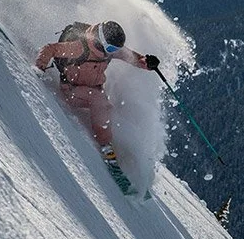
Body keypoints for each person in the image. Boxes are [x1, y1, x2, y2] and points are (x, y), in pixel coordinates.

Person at [35, 20, 159, 187]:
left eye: (115, 50)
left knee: (107, 107)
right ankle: (106, 147)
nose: (113, 52)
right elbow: (50, 49)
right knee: (99, 101)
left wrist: (145, 62)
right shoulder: (80, 47)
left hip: (92, 89)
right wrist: (39, 67)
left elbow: (131, 58)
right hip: (71, 91)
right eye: (111, 49)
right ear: (99, 41)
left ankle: (115, 147)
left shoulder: (107, 51)